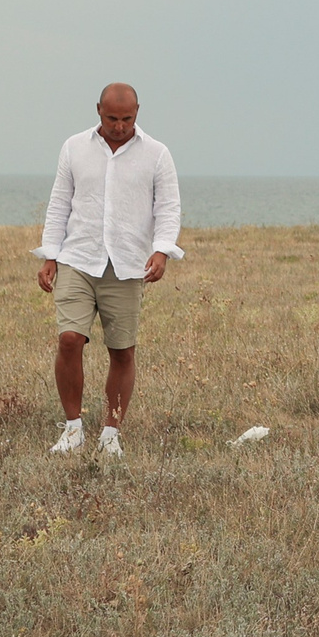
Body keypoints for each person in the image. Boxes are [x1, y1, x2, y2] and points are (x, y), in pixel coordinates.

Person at [33, 83, 183, 457]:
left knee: (122, 352)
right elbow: (58, 204)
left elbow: (168, 208)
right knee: (69, 340)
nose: (119, 126)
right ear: (98, 110)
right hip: (77, 259)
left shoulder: (158, 154)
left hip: (128, 265)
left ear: (138, 113)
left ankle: (111, 434)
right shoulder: (73, 148)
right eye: (112, 118)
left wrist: (162, 250)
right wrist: (50, 255)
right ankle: (73, 430)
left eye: (127, 119)